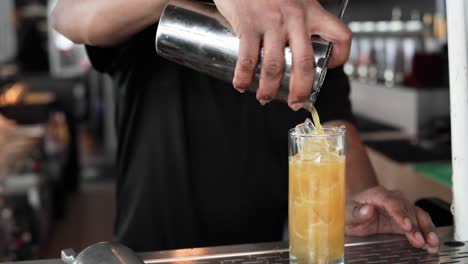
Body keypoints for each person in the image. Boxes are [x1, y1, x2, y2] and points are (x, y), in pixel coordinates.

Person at [51, 0, 440, 255]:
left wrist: (362, 206)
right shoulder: (150, 13)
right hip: (150, 254)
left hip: (258, 253)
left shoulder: (302, 31)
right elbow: (68, 16)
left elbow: (338, 142)